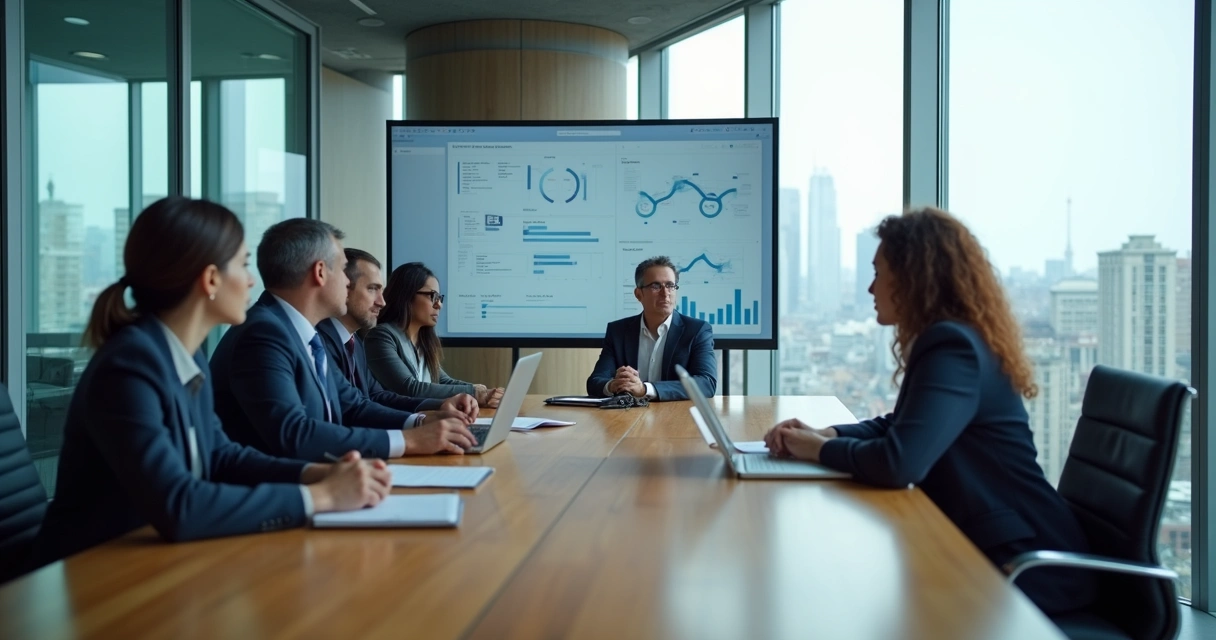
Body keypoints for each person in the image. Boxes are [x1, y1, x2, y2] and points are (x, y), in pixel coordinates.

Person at [763, 207, 1096, 616]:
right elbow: (901, 425)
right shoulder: (954, 338)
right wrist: (827, 434)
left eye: (878, 273)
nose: (870, 288)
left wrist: (816, 450)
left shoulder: (953, 346)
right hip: (990, 546)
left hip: (1025, 564)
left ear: (912, 277)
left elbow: (899, 462)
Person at [35, 197, 392, 565]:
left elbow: (221, 455)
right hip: (94, 571)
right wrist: (324, 496)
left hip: (156, 560)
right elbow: (180, 504)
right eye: (243, 265)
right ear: (210, 280)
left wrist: (319, 474)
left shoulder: (185, 356)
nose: (251, 280)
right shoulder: (127, 368)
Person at [210, 220, 476, 462]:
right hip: (285, 489)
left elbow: (354, 406)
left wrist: (421, 422)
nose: (347, 282)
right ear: (320, 272)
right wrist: (409, 440)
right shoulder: (265, 334)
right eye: (342, 270)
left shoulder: (302, 333)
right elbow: (294, 434)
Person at [316, 248, 478, 422]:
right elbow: (354, 410)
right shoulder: (321, 342)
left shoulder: (354, 344)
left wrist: (440, 406)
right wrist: (419, 423)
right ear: (344, 288)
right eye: (372, 289)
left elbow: (377, 397)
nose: (382, 302)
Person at [365, 262, 504, 406]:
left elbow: (443, 381)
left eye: (440, 298)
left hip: (429, 416)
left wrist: (486, 392)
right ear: (406, 294)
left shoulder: (422, 340)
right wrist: (474, 392)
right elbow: (409, 388)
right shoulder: (381, 337)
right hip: (406, 418)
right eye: (432, 296)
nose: (439, 305)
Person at [585, 256, 717, 401]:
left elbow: (706, 384)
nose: (665, 293)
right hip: (629, 414)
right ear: (638, 294)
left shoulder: (697, 330)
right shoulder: (618, 331)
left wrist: (644, 389)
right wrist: (614, 385)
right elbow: (595, 382)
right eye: (656, 286)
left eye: (670, 285)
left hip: (676, 413)